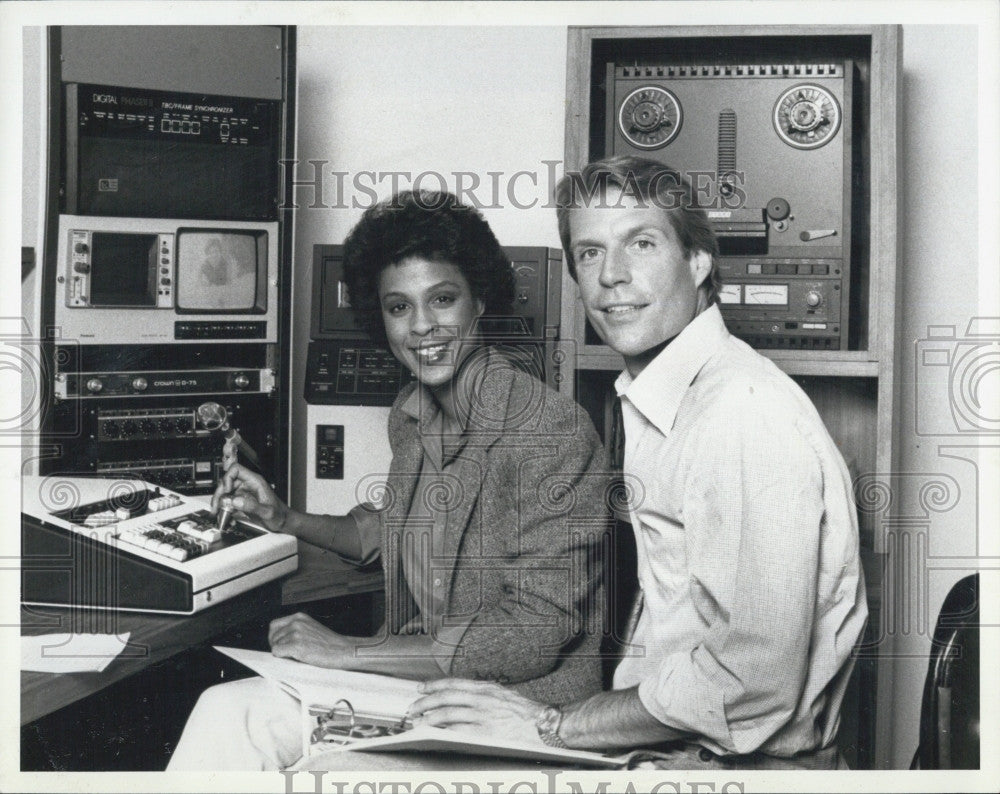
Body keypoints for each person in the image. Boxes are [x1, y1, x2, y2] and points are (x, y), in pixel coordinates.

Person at [405, 156, 869, 771]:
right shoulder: (661, 398)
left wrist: (551, 724)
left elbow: (748, 683)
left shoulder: (740, 414)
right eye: (590, 254)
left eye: (641, 243)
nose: (612, 277)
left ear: (699, 261)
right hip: (670, 748)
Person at [167, 190, 609, 770]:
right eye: (399, 307)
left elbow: (529, 635)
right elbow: (395, 528)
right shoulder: (411, 412)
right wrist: (284, 518)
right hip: (422, 688)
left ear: (480, 302)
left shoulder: (549, 429)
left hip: (514, 712)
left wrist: (349, 652)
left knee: (290, 758)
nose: (422, 326)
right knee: (225, 712)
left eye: (442, 299)